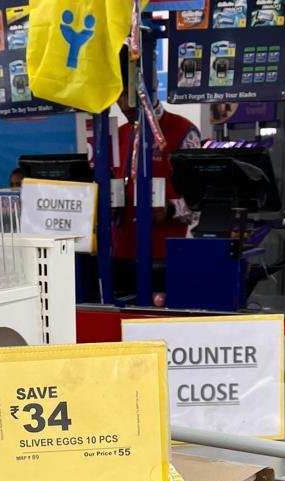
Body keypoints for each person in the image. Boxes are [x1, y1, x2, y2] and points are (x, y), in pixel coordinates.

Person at [112, 48, 201, 298]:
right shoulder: (119, 134)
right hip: (122, 256)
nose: (123, 104)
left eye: (128, 94)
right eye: (118, 95)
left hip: (164, 258)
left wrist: (171, 210)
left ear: (147, 89)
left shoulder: (183, 131)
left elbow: (200, 201)